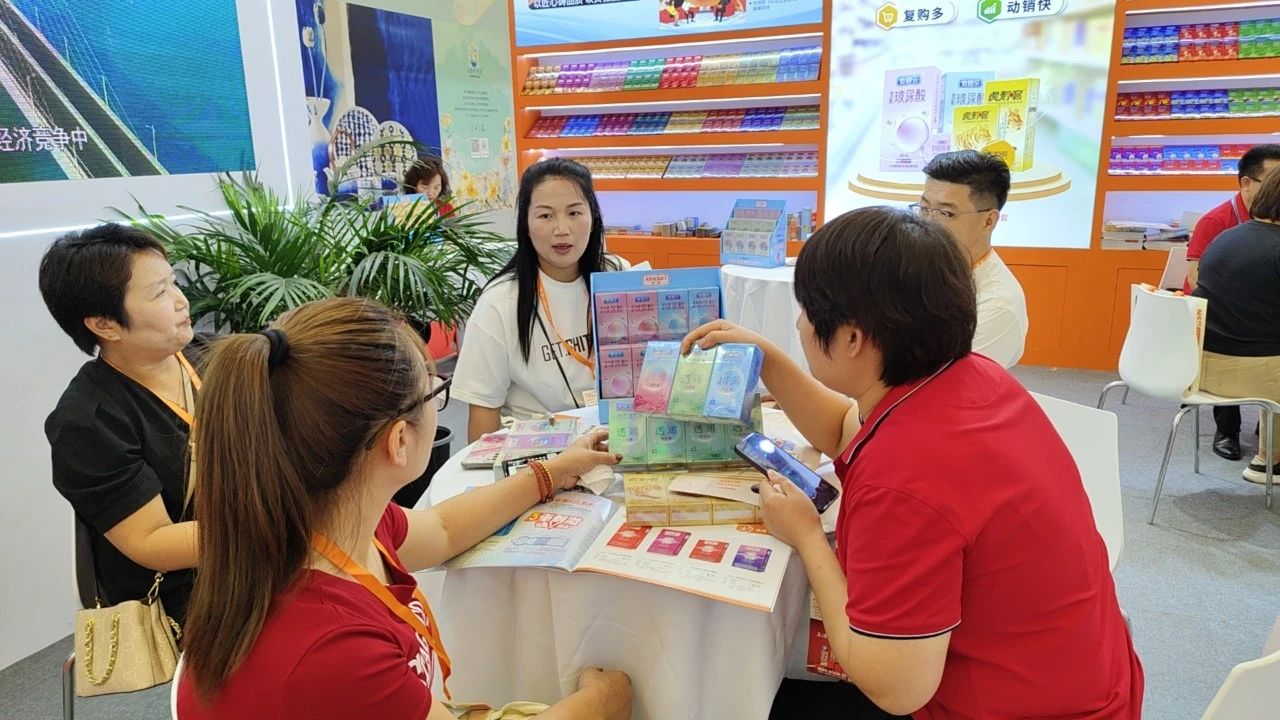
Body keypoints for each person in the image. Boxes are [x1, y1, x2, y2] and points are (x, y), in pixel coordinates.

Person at [686, 207, 1143, 719]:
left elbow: (894, 688)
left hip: (1013, 706)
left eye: (807, 311)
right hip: (1081, 676)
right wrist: (767, 357)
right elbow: (843, 430)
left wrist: (807, 536)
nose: (798, 323)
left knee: (739, 697)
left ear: (852, 339)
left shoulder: (903, 481)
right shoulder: (969, 376)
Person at [176, 297, 632, 719]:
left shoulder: (331, 521)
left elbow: (443, 528)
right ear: (398, 440)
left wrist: (552, 471)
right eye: (433, 393)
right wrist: (600, 702)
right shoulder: (338, 651)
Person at [40, 224, 202, 623]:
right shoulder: (87, 423)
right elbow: (154, 542)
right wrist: (280, 530)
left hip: (266, 564)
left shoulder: (211, 356)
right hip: (186, 596)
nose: (181, 300)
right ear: (105, 325)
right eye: (159, 293)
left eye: (173, 282)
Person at [454, 158, 627, 442]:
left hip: (618, 441)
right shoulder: (499, 303)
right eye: (546, 216)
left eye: (574, 212)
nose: (562, 229)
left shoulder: (617, 275)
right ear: (526, 223)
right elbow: (484, 412)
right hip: (540, 453)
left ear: (593, 216)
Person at [1185, 143, 1280, 461]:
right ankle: (1261, 453)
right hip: (1224, 333)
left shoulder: (1230, 237)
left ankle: (1268, 434)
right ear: (1246, 183)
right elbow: (1196, 278)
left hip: (1206, 360)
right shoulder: (1216, 222)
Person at [915, 150, 1028, 368]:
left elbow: (948, 382)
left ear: (988, 221)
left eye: (945, 213)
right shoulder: (923, 266)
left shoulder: (998, 306)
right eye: (924, 208)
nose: (927, 222)